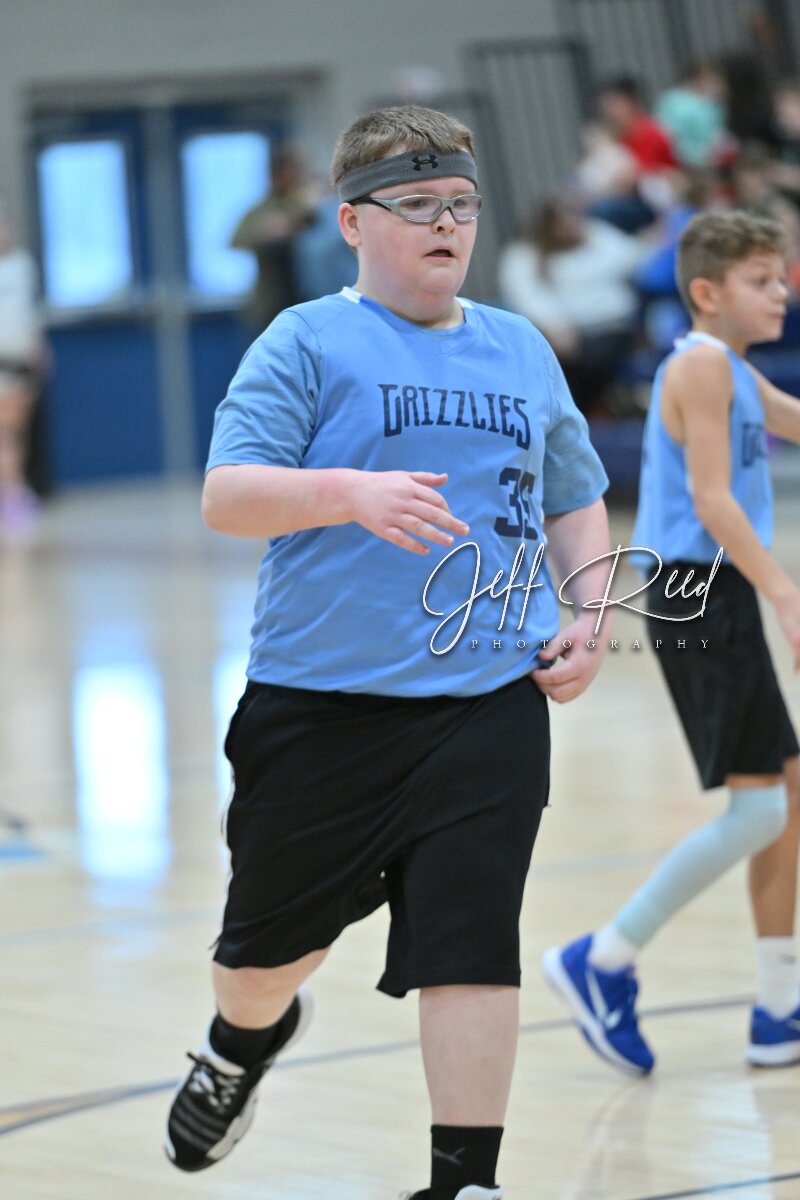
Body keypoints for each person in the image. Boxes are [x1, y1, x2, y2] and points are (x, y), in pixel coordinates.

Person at [164, 104, 612, 1200]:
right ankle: (241, 1041)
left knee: (471, 937)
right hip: (323, 705)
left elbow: (575, 497)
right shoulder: (306, 340)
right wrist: (346, 493)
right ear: (353, 222)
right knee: (260, 965)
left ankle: (466, 1182)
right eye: (416, 205)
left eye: (460, 204)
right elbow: (228, 496)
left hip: (488, 694)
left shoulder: (518, 348)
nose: (445, 224)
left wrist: (590, 616)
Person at [543, 209, 800, 1075]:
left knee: (787, 796)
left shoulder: (731, 368)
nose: (781, 293)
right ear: (706, 292)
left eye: (781, 277)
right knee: (760, 809)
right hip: (699, 591)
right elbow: (714, 501)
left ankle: (779, 1007)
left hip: (712, 591)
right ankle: (604, 956)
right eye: (762, 280)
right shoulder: (700, 367)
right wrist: (785, 593)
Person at [498, 195, 647, 416]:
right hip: (561, 334)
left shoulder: (598, 236)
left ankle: (588, 411)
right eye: (562, 220)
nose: (571, 224)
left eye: (574, 216)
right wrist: (554, 325)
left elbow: (634, 258)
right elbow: (528, 296)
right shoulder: (525, 254)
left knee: (593, 358)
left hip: (611, 327)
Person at [230, 145, 318, 330]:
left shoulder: (313, 202)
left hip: (311, 294)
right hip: (273, 298)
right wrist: (266, 232)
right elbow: (236, 241)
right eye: (292, 171)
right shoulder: (264, 208)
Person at [588, 77, 680, 233]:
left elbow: (631, 181)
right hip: (625, 197)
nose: (607, 111)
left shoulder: (649, 132)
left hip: (652, 203)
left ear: (630, 103)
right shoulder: (613, 135)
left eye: (613, 104)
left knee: (601, 210)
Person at [0, 206, 43, 533]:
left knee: (15, 430)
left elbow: (29, 315)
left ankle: (14, 489)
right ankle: (12, 491)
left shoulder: (22, 267)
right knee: (6, 433)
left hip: (20, 361)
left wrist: (40, 350)